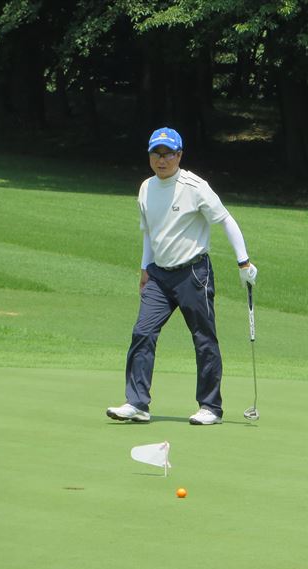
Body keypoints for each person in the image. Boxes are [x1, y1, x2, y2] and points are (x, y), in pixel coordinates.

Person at [106, 127, 257, 425]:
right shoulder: (146, 188)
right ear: (150, 155)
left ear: (179, 155)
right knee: (143, 332)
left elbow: (226, 220)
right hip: (159, 276)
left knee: (203, 339)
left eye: (168, 154)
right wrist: (145, 269)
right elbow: (149, 232)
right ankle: (137, 403)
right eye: (156, 153)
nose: (161, 160)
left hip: (193, 274)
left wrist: (244, 262)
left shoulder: (195, 186)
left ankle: (210, 407)